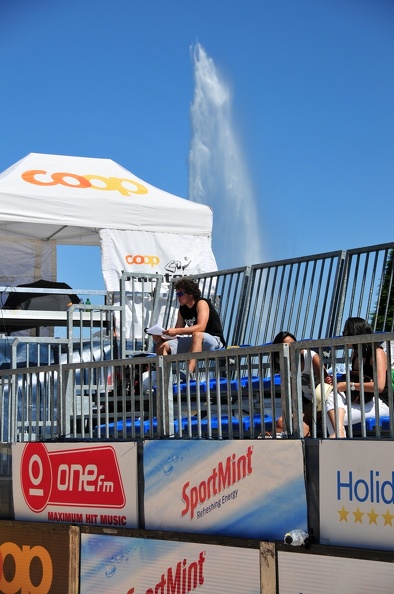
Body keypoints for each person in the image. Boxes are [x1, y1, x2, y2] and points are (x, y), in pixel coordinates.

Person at [325, 317, 390, 438]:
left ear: (356, 333)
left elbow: (380, 386)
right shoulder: (356, 353)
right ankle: (339, 435)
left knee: (334, 417)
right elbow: (355, 377)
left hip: (380, 401)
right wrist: (338, 381)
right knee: (331, 399)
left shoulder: (377, 353)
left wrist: (349, 385)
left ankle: (339, 438)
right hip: (362, 398)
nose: (343, 336)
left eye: (346, 333)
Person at [153, 278, 226, 372]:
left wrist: (176, 331)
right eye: (177, 294)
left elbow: (201, 327)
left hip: (215, 341)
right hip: (196, 341)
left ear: (190, 293)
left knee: (197, 334)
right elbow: (176, 332)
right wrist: (162, 337)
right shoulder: (182, 309)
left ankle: (189, 373)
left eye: (180, 294)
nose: (178, 297)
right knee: (162, 345)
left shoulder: (201, 303)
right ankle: (165, 377)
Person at [273, 331, 332, 437]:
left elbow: (326, 383)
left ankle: (301, 447)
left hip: (322, 400)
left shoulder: (311, 356)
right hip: (305, 401)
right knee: (280, 422)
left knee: (300, 422)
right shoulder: (285, 364)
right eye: (288, 346)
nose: (294, 347)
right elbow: (291, 391)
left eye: (294, 343)